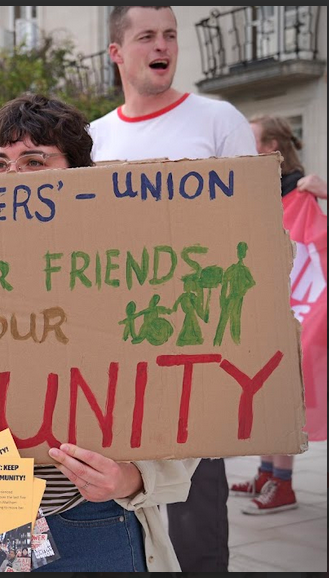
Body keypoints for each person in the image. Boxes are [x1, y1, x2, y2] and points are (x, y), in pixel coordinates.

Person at [0, 93, 198, 573]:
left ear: (76, 173)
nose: (12, 178)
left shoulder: (125, 273)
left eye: (33, 161)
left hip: (89, 521)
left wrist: (132, 478)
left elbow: (183, 396)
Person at [87, 7, 260, 572]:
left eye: (169, 36)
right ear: (117, 52)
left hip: (196, 339)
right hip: (116, 343)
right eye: (146, 37)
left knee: (195, 503)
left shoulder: (219, 120)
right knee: (128, 494)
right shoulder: (95, 137)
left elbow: (251, 227)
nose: (162, 46)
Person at [228, 114, 323, 515]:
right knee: (264, 390)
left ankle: (282, 484)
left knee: (284, 393)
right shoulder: (263, 191)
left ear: (271, 148)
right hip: (268, 304)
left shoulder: (303, 192)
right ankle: (267, 473)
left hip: (300, 308)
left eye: (248, 140)